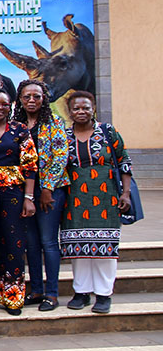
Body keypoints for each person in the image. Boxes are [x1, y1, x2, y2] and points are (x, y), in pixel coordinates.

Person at [61, 91, 133, 314]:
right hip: (74, 199)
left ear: (93, 108)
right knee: (77, 246)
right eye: (76, 108)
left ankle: (103, 294)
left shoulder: (108, 132)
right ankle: (81, 292)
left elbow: (125, 162)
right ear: (70, 112)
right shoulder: (64, 135)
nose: (81, 112)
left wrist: (126, 194)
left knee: (105, 248)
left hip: (106, 197)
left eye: (86, 107)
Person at [0, 88, 38, 315]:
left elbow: (30, 165)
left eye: (4, 104)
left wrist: (29, 198)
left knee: (14, 243)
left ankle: (12, 296)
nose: (0, 107)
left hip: (14, 193)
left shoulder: (19, 130)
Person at [14, 80, 69, 311]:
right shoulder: (15, 124)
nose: (32, 100)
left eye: (36, 96)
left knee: (48, 241)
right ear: (20, 99)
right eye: (27, 96)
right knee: (32, 243)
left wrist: (47, 189)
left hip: (50, 190)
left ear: (44, 98)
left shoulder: (53, 122)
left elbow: (60, 155)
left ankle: (52, 293)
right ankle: (36, 289)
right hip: (24, 190)